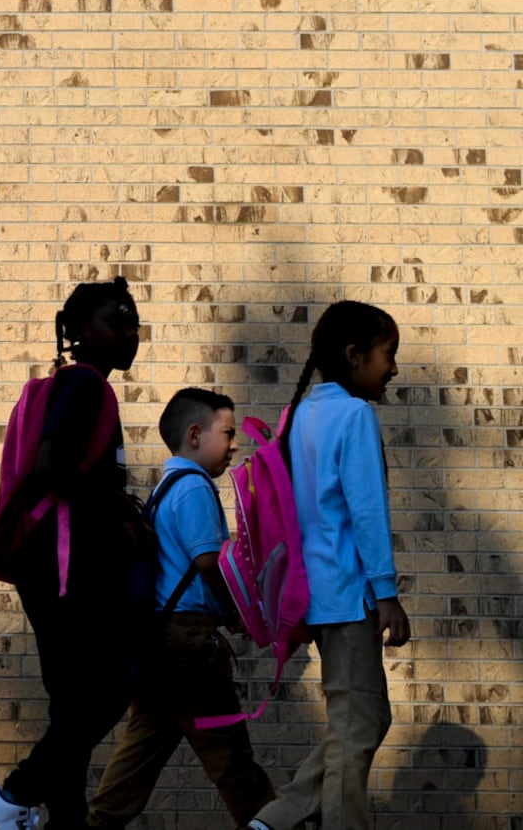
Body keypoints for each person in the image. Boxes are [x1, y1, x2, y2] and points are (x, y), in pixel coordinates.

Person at [0, 277, 143, 830]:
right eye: (117, 318)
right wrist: (122, 506)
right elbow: (52, 467)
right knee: (111, 688)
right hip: (63, 561)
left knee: (71, 703)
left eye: (134, 318)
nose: (130, 329)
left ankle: (62, 821)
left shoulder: (75, 384)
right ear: (80, 332)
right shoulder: (86, 384)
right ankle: (7, 800)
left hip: (45, 558)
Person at [248, 301, 410, 830]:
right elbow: (366, 509)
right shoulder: (355, 413)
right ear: (354, 355)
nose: (392, 367)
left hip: (314, 594)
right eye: (388, 354)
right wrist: (386, 593)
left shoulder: (303, 413)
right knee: (359, 727)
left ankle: (278, 817)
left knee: (359, 718)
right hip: (346, 593)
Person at [86, 388, 274, 828]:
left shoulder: (165, 488)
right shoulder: (193, 487)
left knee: (137, 759)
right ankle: (275, 823)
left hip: (160, 641)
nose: (234, 444)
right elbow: (210, 562)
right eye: (227, 433)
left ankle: (98, 824)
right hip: (188, 645)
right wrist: (242, 611)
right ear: (194, 434)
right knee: (234, 766)